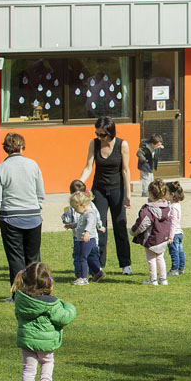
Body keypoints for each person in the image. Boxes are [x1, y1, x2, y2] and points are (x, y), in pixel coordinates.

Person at [12, 262, 76, 381]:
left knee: (28, 369)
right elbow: (63, 318)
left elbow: (18, 316)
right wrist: (70, 307)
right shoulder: (52, 303)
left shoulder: (20, 299)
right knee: (47, 362)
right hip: (46, 343)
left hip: (27, 340)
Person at [0, 133, 45, 297]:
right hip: (33, 216)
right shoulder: (33, 165)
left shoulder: (0, 169)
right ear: (22, 147)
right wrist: (36, 207)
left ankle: (19, 295)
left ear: (5, 148)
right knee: (34, 258)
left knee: (15, 258)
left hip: (10, 218)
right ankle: (36, 292)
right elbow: (40, 193)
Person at [79, 116, 132, 275]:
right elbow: (88, 167)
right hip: (99, 190)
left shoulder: (122, 144)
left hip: (117, 189)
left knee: (120, 225)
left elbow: (125, 170)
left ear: (111, 132)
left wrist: (128, 194)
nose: (99, 137)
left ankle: (125, 264)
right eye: (97, 134)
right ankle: (99, 264)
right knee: (99, 226)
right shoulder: (93, 144)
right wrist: (79, 182)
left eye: (102, 135)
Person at [128, 179, 173, 286]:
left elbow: (142, 224)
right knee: (160, 257)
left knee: (151, 259)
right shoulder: (168, 207)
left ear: (150, 193)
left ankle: (153, 280)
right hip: (163, 238)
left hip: (152, 239)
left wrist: (132, 231)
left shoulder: (148, 210)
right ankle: (163, 279)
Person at [61, 180, 105, 282]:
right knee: (90, 257)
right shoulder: (85, 212)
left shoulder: (89, 213)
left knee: (81, 257)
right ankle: (98, 273)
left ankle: (82, 277)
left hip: (84, 239)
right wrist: (71, 225)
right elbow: (81, 223)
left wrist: (87, 232)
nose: (75, 211)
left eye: (76, 209)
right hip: (90, 239)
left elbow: (89, 223)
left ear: (82, 205)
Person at [166, 181, 186, 276]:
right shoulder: (177, 205)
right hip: (179, 233)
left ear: (172, 194)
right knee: (180, 251)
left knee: (174, 253)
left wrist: (170, 236)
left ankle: (174, 269)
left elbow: (173, 223)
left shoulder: (173, 207)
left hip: (174, 234)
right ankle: (181, 268)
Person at [136, 134, 164, 198]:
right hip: (144, 165)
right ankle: (145, 192)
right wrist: (144, 160)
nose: (159, 146)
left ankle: (150, 191)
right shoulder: (146, 147)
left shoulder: (156, 147)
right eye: (158, 145)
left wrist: (159, 147)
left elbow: (155, 154)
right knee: (146, 179)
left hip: (150, 165)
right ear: (153, 144)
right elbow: (138, 153)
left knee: (151, 178)